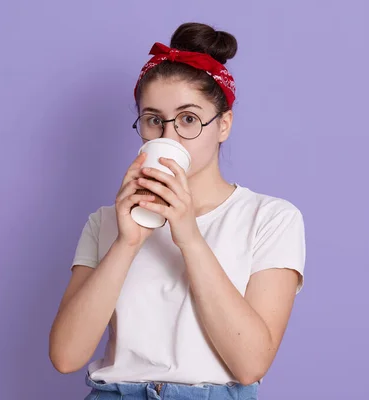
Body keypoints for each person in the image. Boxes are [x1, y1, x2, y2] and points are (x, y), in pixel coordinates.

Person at [49, 22, 306, 399]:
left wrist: (189, 237)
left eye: (188, 119)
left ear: (223, 125)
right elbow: (66, 357)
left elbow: (251, 363)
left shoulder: (270, 219)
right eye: (154, 120)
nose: (168, 137)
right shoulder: (106, 222)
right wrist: (127, 243)